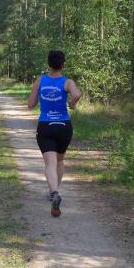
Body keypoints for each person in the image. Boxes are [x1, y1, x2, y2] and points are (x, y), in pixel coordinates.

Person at [27, 50, 82, 216]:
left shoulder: (40, 80)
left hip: (46, 126)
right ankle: (55, 190)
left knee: (50, 164)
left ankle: (54, 193)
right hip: (64, 126)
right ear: (63, 65)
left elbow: (30, 104)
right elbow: (77, 94)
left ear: (49, 64)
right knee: (59, 161)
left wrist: (39, 97)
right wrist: (72, 103)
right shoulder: (67, 82)